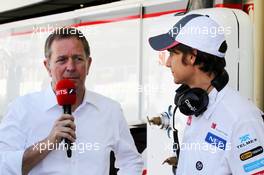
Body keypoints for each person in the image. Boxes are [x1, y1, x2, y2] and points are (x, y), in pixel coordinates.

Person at [0, 27, 143, 175]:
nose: (71, 67)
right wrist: (48, 142)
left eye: (78, 59)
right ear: (47, 66)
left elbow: (131, 161)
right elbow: (3, 166)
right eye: (62, 60)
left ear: (89, 64)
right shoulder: (22, 109)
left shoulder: (110, 109)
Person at [148, 14, 264, 175]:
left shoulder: (242, 119)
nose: (168, 63)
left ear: (191, 56)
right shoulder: (195, 106)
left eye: (173, 53)